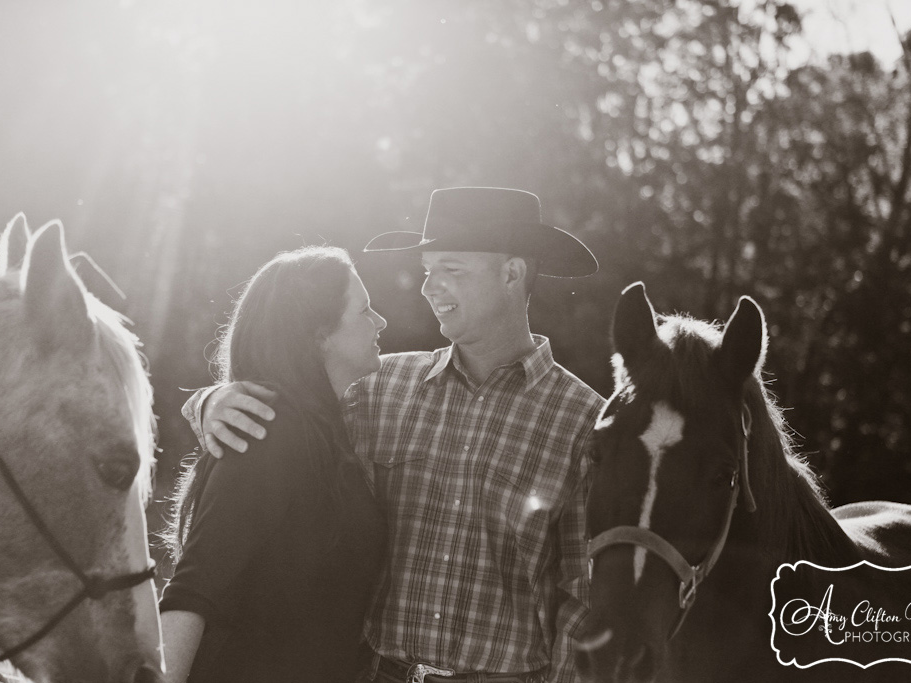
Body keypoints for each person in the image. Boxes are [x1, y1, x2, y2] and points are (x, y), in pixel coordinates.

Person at [184, 188, 605, 683]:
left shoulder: (583, 420)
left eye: (452, 270)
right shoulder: (377, 385)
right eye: (427, 270)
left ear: (511, 274)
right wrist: (211, 401)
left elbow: (581, 596)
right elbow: (289, 398)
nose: (429, 288)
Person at [161, 246, 388, 683]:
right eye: (364, 310)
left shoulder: (326, 426)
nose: (379, 322)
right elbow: (195, 589)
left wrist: (206, 398)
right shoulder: (271, 430)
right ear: (319, 334)